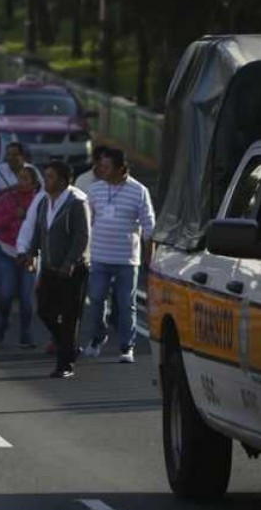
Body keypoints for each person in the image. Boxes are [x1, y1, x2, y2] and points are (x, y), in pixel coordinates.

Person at [16, 161, 91, 378]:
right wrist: (30, 253)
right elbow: (40, 231)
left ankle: (65, 364)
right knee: (44, 309)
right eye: (45, 176)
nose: (45, 181)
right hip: (49, 268)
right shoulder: (44, 202)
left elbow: (82, 237)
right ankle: (69, 346)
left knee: (69, 316)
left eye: (50, 177)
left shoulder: (76, 202)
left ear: (63, 180)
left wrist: (69, 263)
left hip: (72, 270)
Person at [82, 148, 156, 364]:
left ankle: (126, 346)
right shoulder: (94, 190)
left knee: (126, 304)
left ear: (121, 168)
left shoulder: (139, 191)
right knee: (96, 299)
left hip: (126, 258)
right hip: (99, 256)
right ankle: (98, 337)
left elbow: (149, 226)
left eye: (106, 167)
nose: (101, 170)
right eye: (101, 166)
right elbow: (87, 222)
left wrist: (149, 255)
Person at [0, 165, 41, 348]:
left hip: (29, 254)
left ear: (34, 184)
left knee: (27, 298)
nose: (21, 182)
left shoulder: (39, 201)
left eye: (26, 179)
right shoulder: (6, 198)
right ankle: (4, 319)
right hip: (7, 251)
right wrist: (13, 215)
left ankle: (26, 334)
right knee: (6, 294)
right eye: (20, 178)